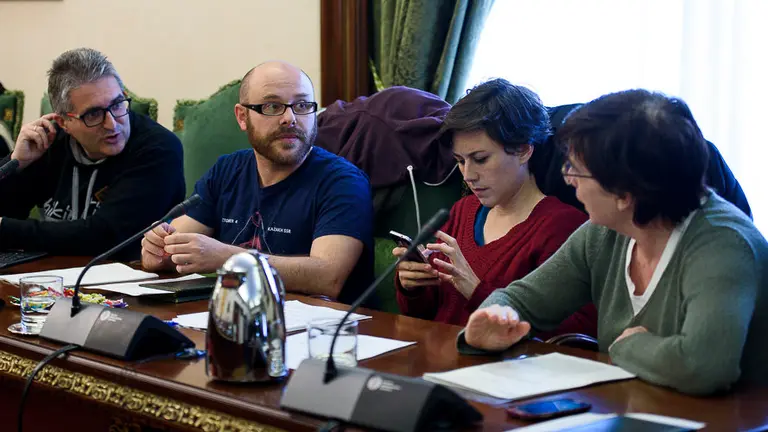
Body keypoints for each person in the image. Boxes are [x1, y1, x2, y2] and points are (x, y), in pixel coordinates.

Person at [460, 89, 768, 395]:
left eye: (577, 170)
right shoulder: (604, 231)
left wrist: (627, 345)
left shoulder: (724, 245)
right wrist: (490, 323)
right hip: (635, 411)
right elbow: (521, 301)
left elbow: (703, 368)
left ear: (625, 193)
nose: (567, 179)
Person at [140, 61, 373, 304]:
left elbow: (327, 277)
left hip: (320, 330)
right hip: (236, 318)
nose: (290, 118)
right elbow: (172, 246)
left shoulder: (343, 181)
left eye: (302, 105)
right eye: (273, 106)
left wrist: (227, 258)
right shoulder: (227, 170)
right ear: (242, 117)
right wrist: (158, 252)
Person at [394, 79, 593, 338]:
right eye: (460, 161)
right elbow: (430, 314)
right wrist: (413, 287)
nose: (468, 175)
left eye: (480, 159)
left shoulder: (561, 227)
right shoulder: (463, 211)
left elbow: (577, 333)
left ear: (523, 150)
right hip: (440, 358)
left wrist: (477, 290)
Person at [0, 48, 185, 257]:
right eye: (94, 113)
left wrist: (4, 230)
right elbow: (9, 209)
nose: (112, 124)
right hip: (50, 276)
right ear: (64, 122)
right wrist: (15, 163)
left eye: (117, 105)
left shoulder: (158, 149)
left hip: (127, 279)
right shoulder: (49, 142)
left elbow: (105, 235)